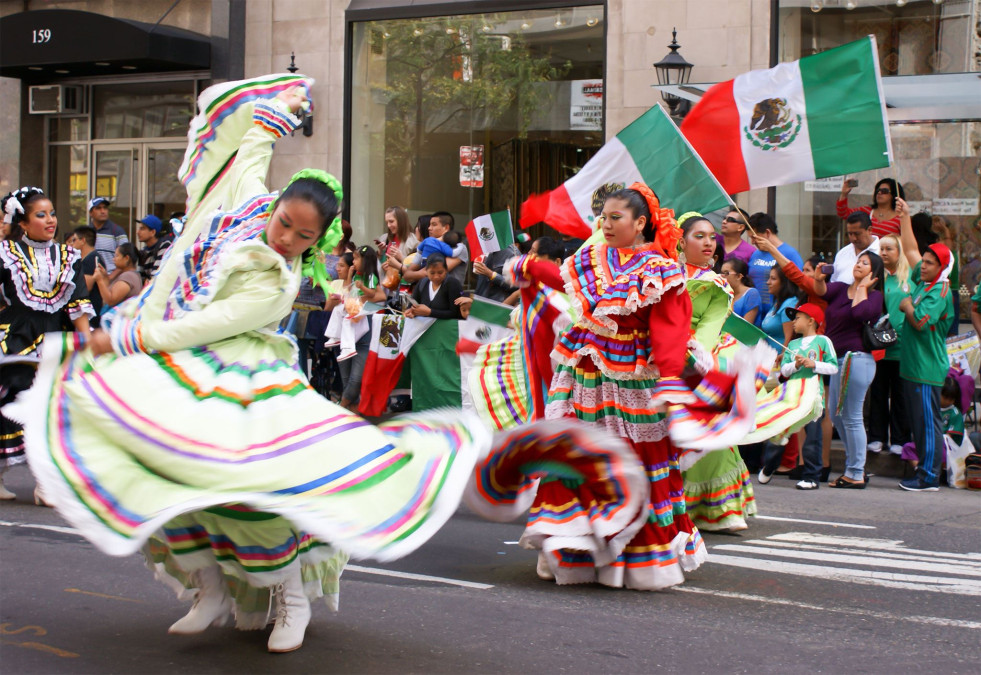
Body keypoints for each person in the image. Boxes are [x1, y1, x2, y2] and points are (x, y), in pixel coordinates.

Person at [11, 79, 486, 653]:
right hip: (184, 365)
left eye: (302, 236)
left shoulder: (279, 284)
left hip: (244, 379)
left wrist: (128, 340)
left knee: (249, 492)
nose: (286, 237)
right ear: (278, 204)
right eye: (285, 220)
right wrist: (276, 116)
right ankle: (208, 585)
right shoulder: (246, 208)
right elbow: (251, 154)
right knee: (171, 478)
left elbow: (203, 326)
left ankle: (291, 595)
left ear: (317, 241)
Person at [468, 183, 710, 589]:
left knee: (634, 459)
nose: (607, 225)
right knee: (576, 455)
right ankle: (573, 551)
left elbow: (669, 330)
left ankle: (633, 559)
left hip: (632, 382)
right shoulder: (595, 258)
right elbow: (564, 279)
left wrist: (673, 381)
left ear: (640, 223)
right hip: (586, 376)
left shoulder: (661, 271)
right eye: (605, 218)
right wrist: (524, 267)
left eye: (616, 218)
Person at [0, 187, 93, 501]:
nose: (50, 220)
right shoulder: (7, 253)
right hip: (18, 336)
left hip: (56, 337)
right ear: (24, 224)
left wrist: (89, 342)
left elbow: (78, 301)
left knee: (50, 408)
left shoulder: (68, 256)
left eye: (52, 213)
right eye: (41, 215)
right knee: (12, 403)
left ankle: (45, 482)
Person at [677, 213, 756, 532]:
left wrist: (698, 355)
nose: (709, 242)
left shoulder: (717, 283)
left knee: (713, 431)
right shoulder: (662, 273)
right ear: (681, 241)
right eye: (700, 236)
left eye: (712, 236)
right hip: (661, 355)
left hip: (699, 359)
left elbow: (712, 325)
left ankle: (719, 508)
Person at [895, 198, 955, 492]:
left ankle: (929, 477)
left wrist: (906, 306)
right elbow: (909, 250)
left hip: (926, 369)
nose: (924, 265)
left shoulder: (939, 291)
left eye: (930, 263)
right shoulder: (926, 281)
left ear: (941, 267)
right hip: (913, 367)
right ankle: (923, 470)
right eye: (926, 261)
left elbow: (920, 322)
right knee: (919, 425)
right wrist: (905, 217)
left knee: (929, 426)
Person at [811, 251, 885, 488]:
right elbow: (820, 291)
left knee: (852, 417)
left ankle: (855, 471)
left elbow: (860, 313)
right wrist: (820, 277)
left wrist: (863, 288)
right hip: (837, 361)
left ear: (874, 274)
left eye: (865, 264)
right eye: (858, 261)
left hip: (857, 360)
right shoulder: (841, 289)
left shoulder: (874, 296)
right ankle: (855, 466)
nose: (858, 265)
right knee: (837, 416)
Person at [756, 303, 837, 490]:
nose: (793, 322)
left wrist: (813, 363)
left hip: (813, 398)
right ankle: (770, 465)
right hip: (791, 396)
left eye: (798, 317)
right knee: (780, 430)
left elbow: (833, 367)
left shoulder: (823, 341)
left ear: (811, 321)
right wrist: (797, 365)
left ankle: (811, 476)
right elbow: (784, 370)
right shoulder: (793, 344)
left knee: (812, 438)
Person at [866, 233, 911, 456]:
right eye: (881, 249)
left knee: (901, 395)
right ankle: (877, 437)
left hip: (904, 347)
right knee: (879, 392)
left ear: (899, 251)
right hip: (880, 344)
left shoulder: (910, 277)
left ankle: (900, 439)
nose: (883, 253)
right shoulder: (876, 276)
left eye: (889, 249)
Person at [746, 212, 803, 316]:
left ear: (767, 233)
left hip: (778, 314)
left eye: (755, 237)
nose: (752, 242)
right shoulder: (755, 254)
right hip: (755, 314)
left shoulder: (790, 254)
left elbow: (799, 284)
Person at [837, 177, 904, 238]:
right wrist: (844, 194)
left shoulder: (901, 217)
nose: (879, 193)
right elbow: (843, 213)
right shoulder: (866, 211)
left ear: (894, 194)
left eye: (884, 191)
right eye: (878, 190)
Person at [405, 253, 463, 320]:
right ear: (426, 271)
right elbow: (412, 305)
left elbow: (456, 313)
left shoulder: (452, 284)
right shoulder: (422, 283)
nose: (436, 277)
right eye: (432, 273)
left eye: (440, 272)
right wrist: (410, 312)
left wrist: (430, 312)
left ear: (446, 270)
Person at [831, 211, 880, 284]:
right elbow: (833, 282)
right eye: (850, 234)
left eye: (857, 234)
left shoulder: (881, 252)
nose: (854, 238)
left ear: (869, 230)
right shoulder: (842, 253)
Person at [69, 225, 105, 324]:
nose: (72, 244)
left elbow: (85, 287)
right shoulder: (91, 258)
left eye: (74, 240)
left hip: (92, 311)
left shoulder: (91, 260)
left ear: (83, 240)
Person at [759, 266, 801, 347]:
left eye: (773, 279)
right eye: (769, 278)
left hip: (778, 357)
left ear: (785, 282)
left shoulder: (789, 304)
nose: (768, 282)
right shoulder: (778, 302)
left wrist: (783, 358)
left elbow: (789, 339)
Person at [86, 196, 129, 272]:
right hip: (90, 278)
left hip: (111, 278)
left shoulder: (117, 231)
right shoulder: (86, 232)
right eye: (98, 208)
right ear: (90, 212)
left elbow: (126, 260)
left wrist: (109, 278)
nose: (103, 211)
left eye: (105, 208)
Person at [94, 242, 142, 308]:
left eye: (117, 256)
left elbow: (111, 300)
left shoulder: (128, 276)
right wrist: (104, 277)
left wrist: (99, 280)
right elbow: (107, 293)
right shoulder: (126, 274)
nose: (114, 259)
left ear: (126, 258)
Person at [136, 214, 173, 285]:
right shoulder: (143, 252)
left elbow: (156, 276)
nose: (138, 232)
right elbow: (139, 278)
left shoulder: (165, 245)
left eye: (142, 228)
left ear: (153, 232)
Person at [722, 258, 760, 325]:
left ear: (739, 276)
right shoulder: (724, 294)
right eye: (721, 273)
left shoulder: (752, 294)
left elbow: (746, 326)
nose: (722, 276)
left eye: (726, 273)